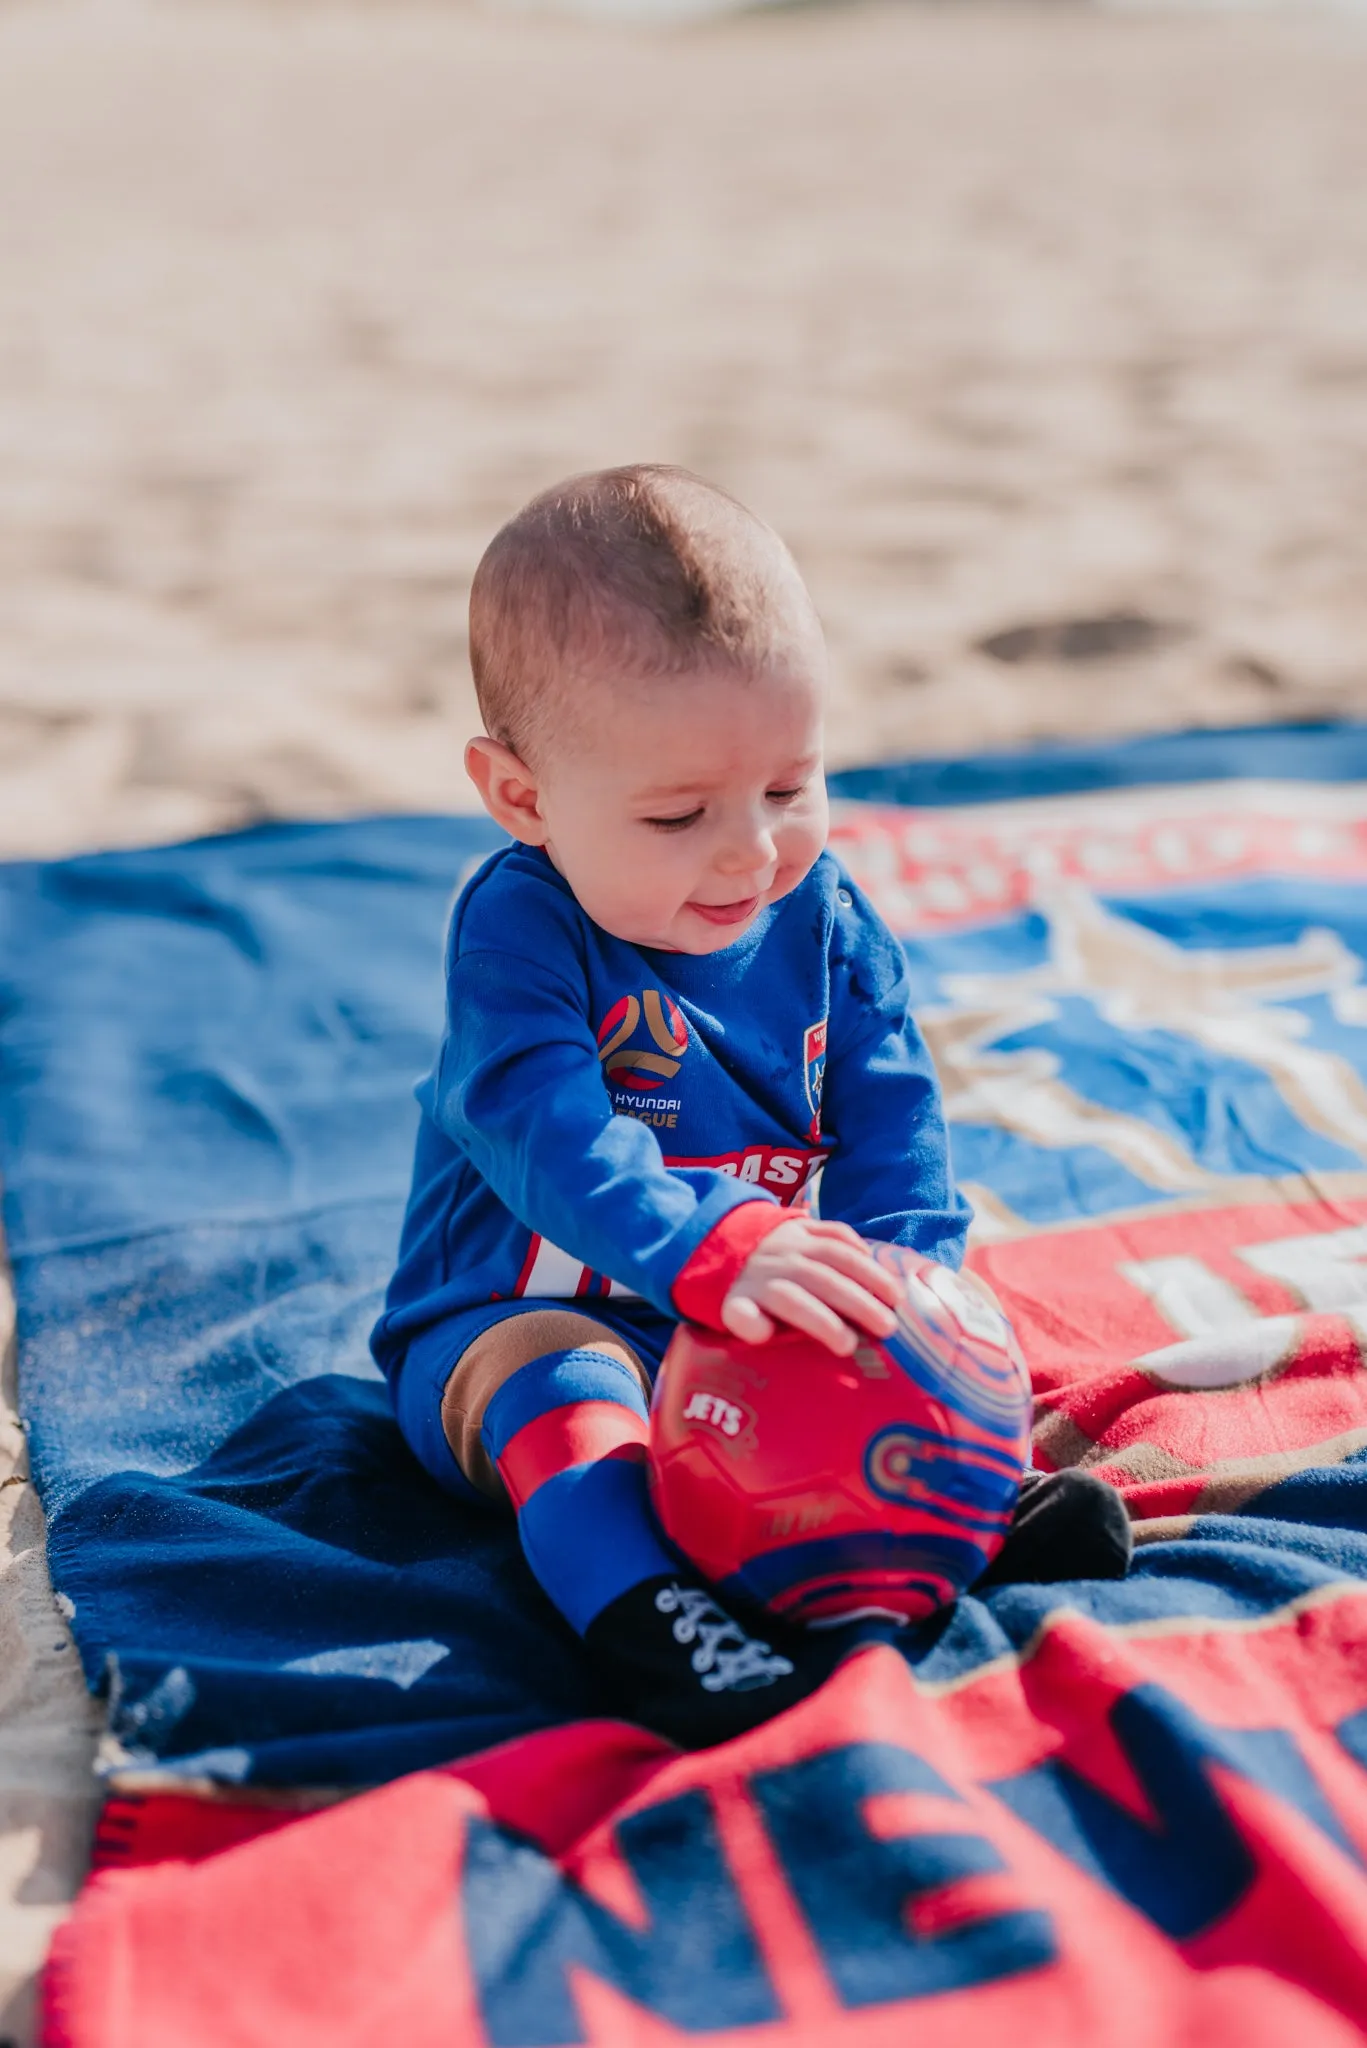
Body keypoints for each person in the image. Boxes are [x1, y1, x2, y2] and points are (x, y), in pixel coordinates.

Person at [371, 464, 1130, 1746]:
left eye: (789, 787)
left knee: (897, 1346)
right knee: (560, 1384)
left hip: (742, 1309)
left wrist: (906, 1311)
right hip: (516, 1317)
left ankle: (955, 1501)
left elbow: (894, 1121)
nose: (749, 851)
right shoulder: (519, 927)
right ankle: (648, 1611)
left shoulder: (822, 912)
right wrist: (710, 1248)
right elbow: (539, 1127)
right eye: (676, 813)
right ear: (521, 795)